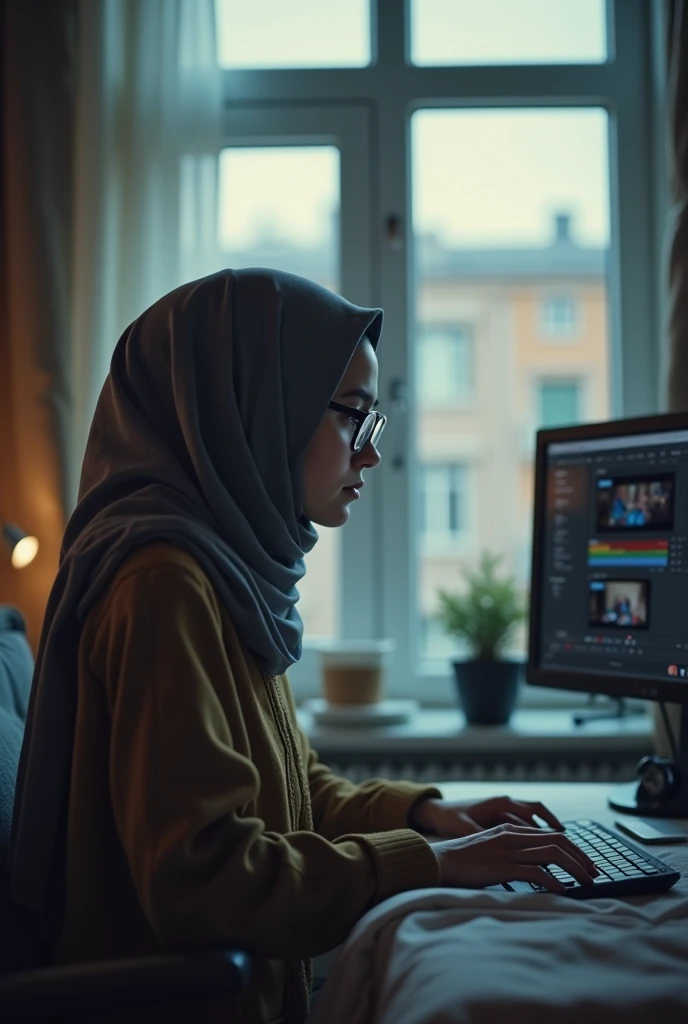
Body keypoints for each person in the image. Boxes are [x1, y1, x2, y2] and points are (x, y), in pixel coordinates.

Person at [8, 270, 597, 1024]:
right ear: (258, 406)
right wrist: (435, 866)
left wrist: (429, 818)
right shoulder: (161, 585)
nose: (371, 453)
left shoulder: (224, 567)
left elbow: (290, 793)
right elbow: (206, 875)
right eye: (354, 415)